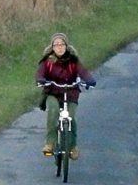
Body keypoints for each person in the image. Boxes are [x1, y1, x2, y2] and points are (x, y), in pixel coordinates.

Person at [35, 32, 96, 160]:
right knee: (53, 111)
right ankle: (50, 143)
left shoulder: (73, 60)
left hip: (71, 93)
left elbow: (83, 72)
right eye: (56, 45)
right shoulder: (48, 61)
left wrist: (89, 80)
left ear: (66, 46)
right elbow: (40, 73)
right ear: (52, 47)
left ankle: (73, 147)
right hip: (53, 92)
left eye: (62, 44)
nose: (59, 47)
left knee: (71, 117)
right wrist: (41, 80)